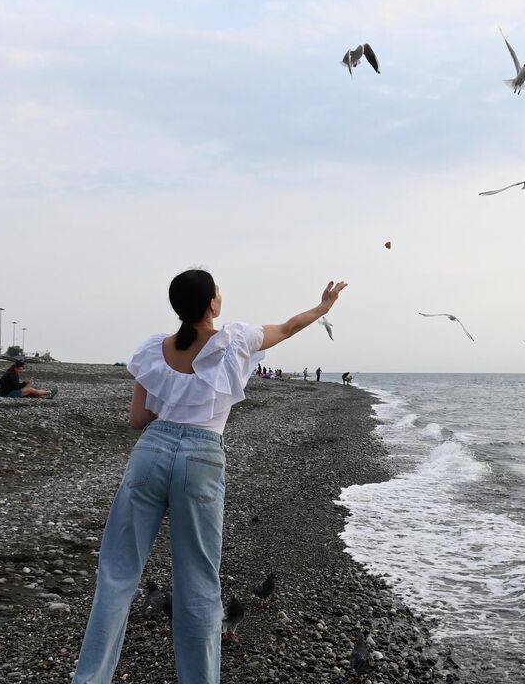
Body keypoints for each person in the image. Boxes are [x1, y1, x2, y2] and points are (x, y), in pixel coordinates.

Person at [73, 269, 346, 684]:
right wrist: (324, 307)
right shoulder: (235, 341)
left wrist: (173, 399)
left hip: (151, 451)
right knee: (199, 583)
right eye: (218, 293)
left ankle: (89, 678)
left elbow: (136, 420)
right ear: (212, 305)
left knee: (117, 575)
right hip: (201, 458)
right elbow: (289, 328)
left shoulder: (153, 349)